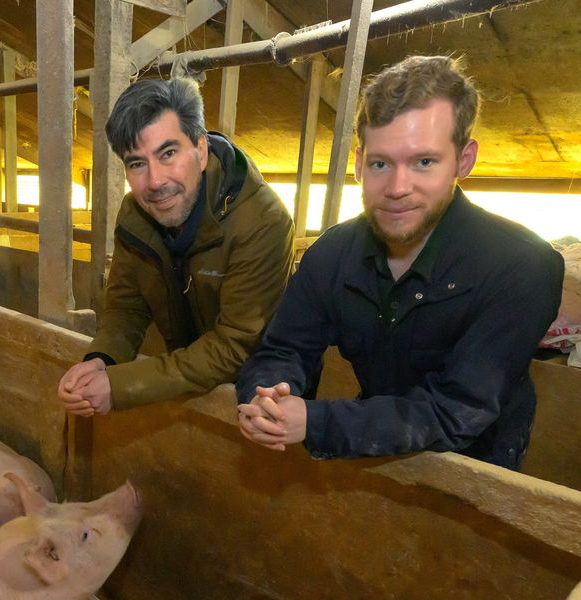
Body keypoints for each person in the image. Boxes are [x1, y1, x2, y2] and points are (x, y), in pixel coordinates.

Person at [236, 55, 563, 470]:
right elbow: (283, 348)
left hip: (480, 460)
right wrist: (267, 397)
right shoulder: (332, 255)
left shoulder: (522, 266)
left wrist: (317, 422)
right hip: (374, 437)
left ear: (464, 160)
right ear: (358, 163)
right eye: (380, 163)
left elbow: (457, 410)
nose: (397, 188)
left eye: (424, 162)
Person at [57, 78, 294, 416]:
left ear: (200, 150)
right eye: (137, 163)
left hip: (260, 391)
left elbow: (236, 346)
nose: (155, 182)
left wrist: (123, 385)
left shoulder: (262, 222)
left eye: (167, 154)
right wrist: (102, 359)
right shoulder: (135, 215)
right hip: (185, 377)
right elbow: (126, 306)